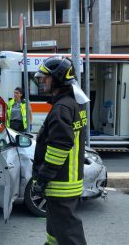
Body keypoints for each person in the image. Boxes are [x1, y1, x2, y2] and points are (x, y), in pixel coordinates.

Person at [32, 56, 89, 245]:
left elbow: (59, 146)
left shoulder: (61, 108)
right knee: (56, 232)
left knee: (69, 235)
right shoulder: (74, 102)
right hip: (69, 180)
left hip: (60, 183)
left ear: (57, 79)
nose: (42, 81)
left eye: (46, 78)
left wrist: (43, 178)